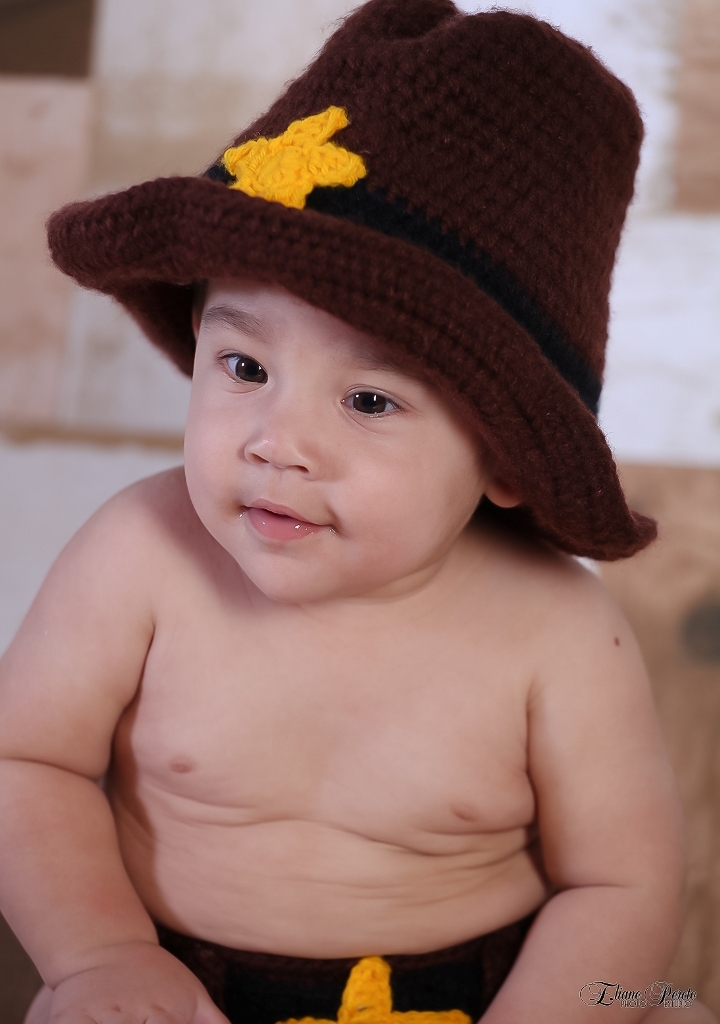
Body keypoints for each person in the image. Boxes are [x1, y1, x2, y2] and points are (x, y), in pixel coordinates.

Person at [0, 1, 715, 1022]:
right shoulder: (139, 554)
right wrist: (100, 955)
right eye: (245, 366)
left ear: (506, 454)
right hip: (171, 986)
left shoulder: (557, 629)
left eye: (371, 401)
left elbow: (623, 884)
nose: (276, 440)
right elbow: (25, 759)